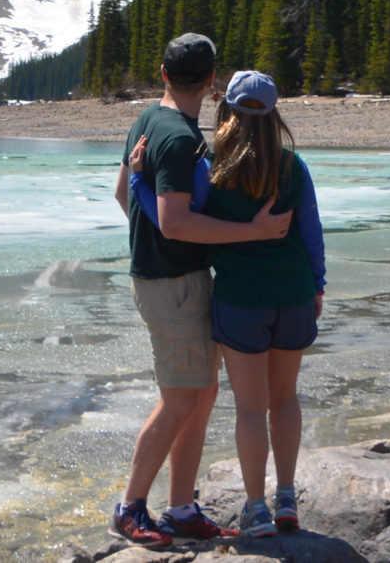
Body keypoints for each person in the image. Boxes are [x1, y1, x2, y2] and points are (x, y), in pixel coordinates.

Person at [110, 35, 291, 547]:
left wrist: (156, 239)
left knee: (200, 394)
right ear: (212, 82)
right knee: (179, 399)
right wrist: (252, 233)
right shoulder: (179, 139)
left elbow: (124, 193)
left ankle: (182, 507)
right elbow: (174, 222)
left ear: (163, 75)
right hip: (173, 287)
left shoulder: (147, 120)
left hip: (171, 279)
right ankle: (130, 507)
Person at [131, 69, 326, 538]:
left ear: (228, 111)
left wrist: (139, 181)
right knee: (285, 399)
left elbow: (174, 222)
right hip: (294, 295)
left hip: (241, 302)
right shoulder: (292, 166)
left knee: (249, 408)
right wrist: (317, 286)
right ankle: (286, 498)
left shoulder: (214, 169)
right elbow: (312, 234)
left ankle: (256, 509)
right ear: (274, 113)